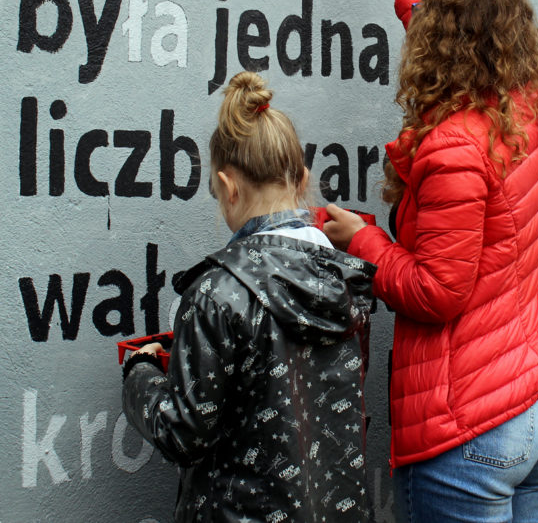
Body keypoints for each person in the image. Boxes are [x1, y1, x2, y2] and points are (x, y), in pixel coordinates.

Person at [323, 0, 538, 523]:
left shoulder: (454, 149)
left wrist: (363, 241)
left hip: (473, 428)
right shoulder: (524, 106)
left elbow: (437, 290)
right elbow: (466, 45)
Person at [121, 71, 376, 522]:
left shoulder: (217, 293)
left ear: (230, 186)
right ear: (300, 179)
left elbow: (184, 433)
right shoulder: (346, 280)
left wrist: (140, 372)